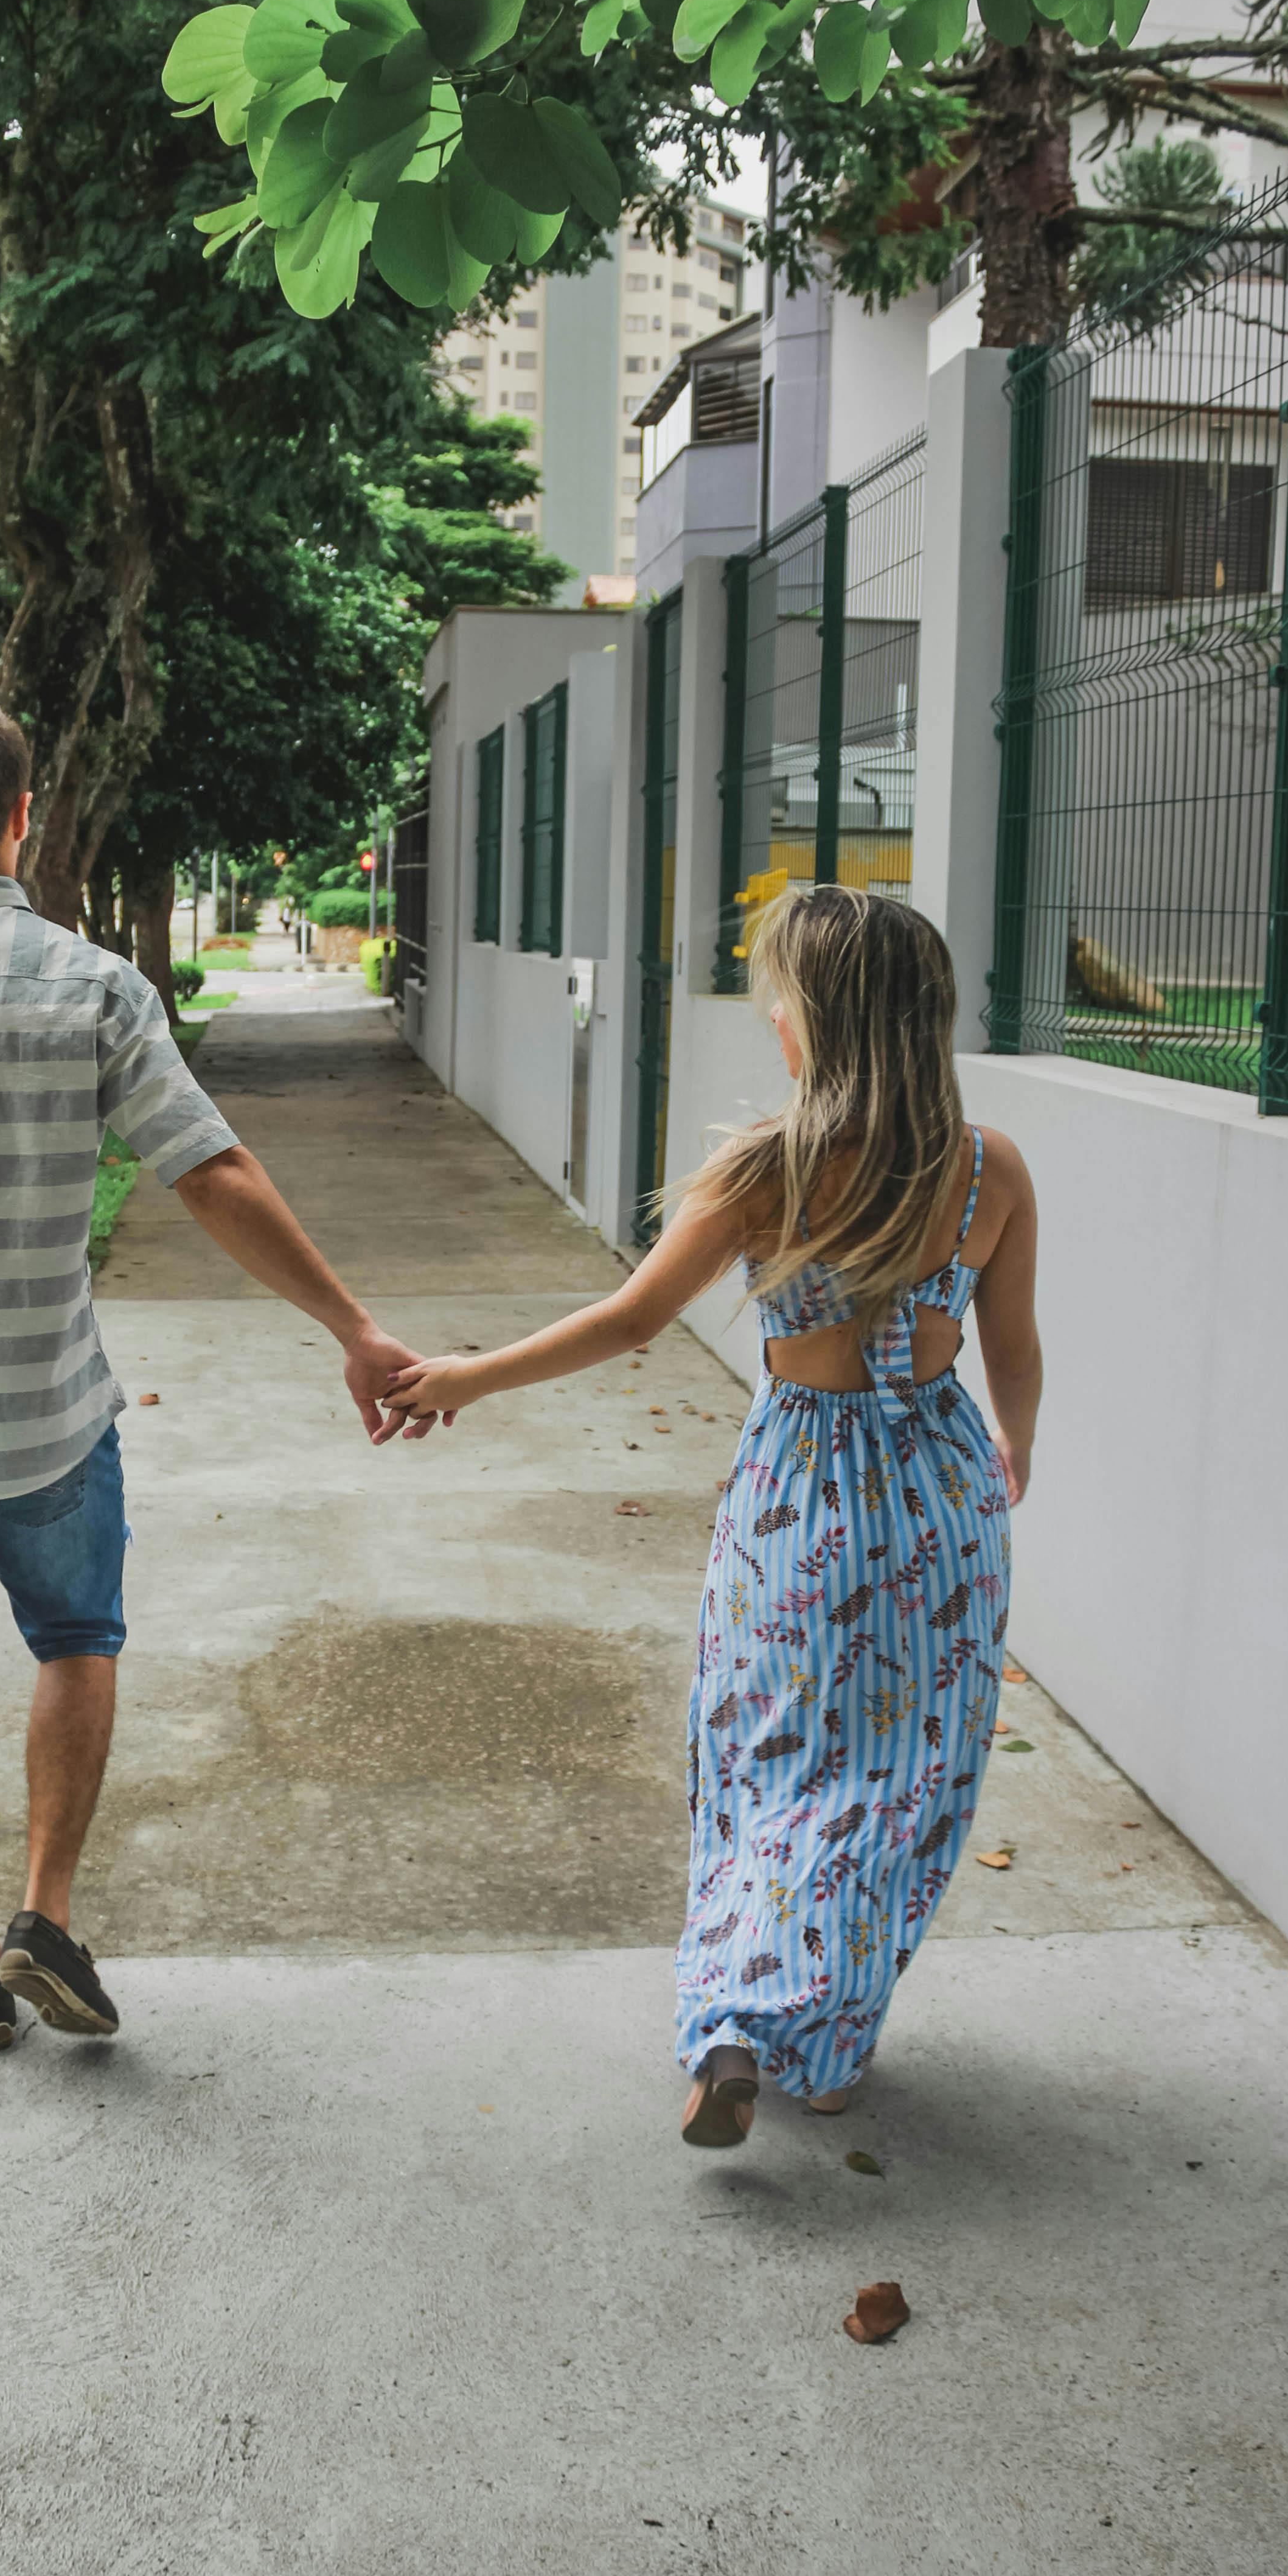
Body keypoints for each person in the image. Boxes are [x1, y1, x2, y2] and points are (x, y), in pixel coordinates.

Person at [0, 697, 437, 2057]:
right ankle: (45, 1916)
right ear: (23, 815)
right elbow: (210, 1173)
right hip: (50, 1418)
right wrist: (352, 1326)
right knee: (75, 1644)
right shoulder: (95, 986)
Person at [383, 885, 1040, 2147]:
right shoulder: (987, 1168)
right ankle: (829, 2050)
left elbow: (630, 1319)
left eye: (778, 1002)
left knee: (765, 1750)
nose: (771, 1020)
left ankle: (739, 2012)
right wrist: (1017, 1441)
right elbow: (1011, 1346)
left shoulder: (765, 1166)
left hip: (801, 1496)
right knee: (900, 1778)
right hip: (941, 1496)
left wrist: (467, 1376)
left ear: (817, 1024)